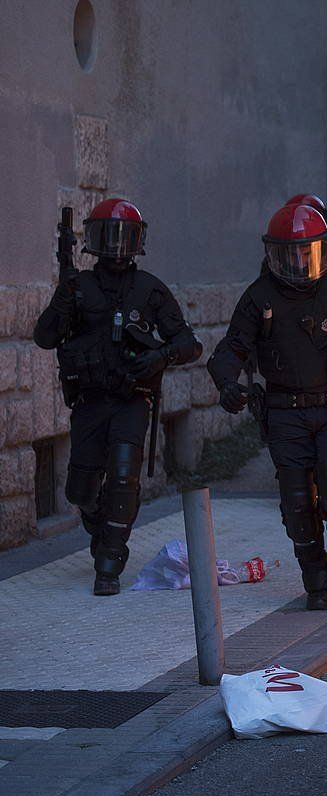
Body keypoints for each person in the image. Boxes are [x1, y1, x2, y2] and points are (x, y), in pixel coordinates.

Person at [207, 203, 327, 612]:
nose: (296, 262)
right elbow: (231, 347)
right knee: (297, 501)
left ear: (322, 249)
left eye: (305, 252)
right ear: (272, 254)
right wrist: (226, 384)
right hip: (284, 410)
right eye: (287, 254)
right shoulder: (259, 296)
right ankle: (316, 580)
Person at [34, 198, 203, 595]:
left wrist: (160, 355)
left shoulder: (150, 290)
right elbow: (45, 338)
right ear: (92, 241)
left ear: (138, 241)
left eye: (124, 237)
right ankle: (100, 525)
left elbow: (189, 344)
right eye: (107, 237)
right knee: (81, 490)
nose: (115, 247)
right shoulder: (78, 288)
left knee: (124, 475)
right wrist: (62, 298)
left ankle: (110, 559)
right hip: (90, 402)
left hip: (131, 400)